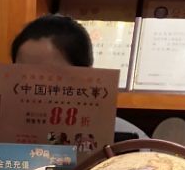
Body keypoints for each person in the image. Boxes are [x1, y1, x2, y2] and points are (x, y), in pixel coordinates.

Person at [9, 14, 144, 139]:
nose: (35, 89)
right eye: (23, 76)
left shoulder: (126, 138)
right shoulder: (2, 132)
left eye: (51, 77)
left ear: (88, 77)